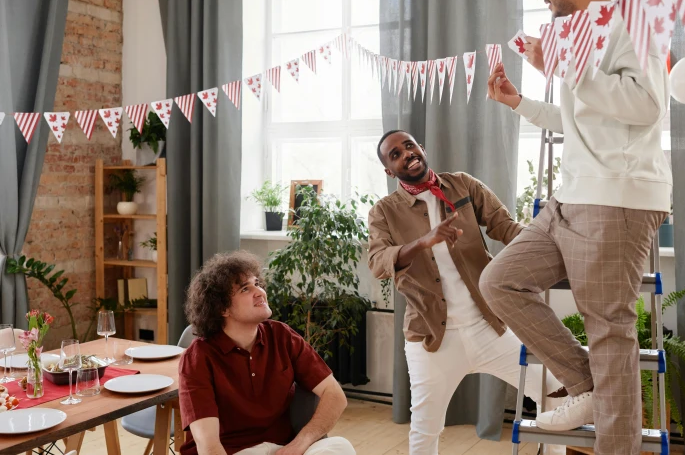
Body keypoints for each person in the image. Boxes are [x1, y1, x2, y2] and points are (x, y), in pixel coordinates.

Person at [480, 0, 671, 454]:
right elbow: (578, 118)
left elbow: (646, 105)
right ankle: (586, 385)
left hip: (617, 199)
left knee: (611, 336)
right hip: (570, 197)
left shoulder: (634, 21)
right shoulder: (577, 33)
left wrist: (566, 69)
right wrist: (518, 102)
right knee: (500, 281)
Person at [368, 129, 566, 455]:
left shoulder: (463, 185)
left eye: (409, 145)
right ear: (390, 170)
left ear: (422, 148)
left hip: (490, 324)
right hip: (431, 338)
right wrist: (424, 241)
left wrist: (551, 247)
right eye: (395, 154)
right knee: (425, 429)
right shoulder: (384, 211)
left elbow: (505, 226)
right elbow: (377, 263)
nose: (406, 153)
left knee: (553, 391)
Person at [178, 251, 356, 455]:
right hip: (232, 452)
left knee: (340, 446)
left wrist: (298, 445)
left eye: (258, 284)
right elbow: (209, 447)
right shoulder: (198, 357)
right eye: (246, 289)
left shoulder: (282, 335)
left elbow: (334, 395)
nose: (260, 292)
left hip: (283, 448)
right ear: (222, 309)